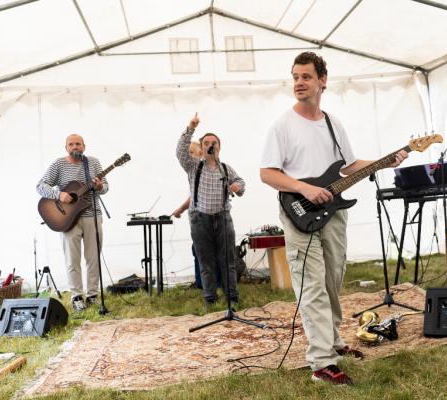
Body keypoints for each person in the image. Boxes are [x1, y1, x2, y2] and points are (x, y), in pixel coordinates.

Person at [260, 51, 407, 385]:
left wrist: (386, 161)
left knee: (332, 280)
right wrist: (305, 188)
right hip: (299, 212)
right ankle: (322, 362)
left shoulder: (333, 123)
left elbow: (349, 166)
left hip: (333, 213)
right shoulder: (282, 125)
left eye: (306, 77)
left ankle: (334, 342)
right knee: (311, 284)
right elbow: (267, 173)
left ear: (322, 81)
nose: (299, 83)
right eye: (295, 77)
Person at [176, 113, 245, 308]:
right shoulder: (193, 166)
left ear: (219, 147)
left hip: (223, 218)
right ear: (202, 147)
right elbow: (180, 152)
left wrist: (238, 187)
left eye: (213, 143)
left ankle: (232, 297)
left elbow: (241, 182)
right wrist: (190, 128)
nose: (210, 145)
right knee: (205, 261)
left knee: (227, 260)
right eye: (206, 143)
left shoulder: (226, 169)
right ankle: (210, 299)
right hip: (200, 219)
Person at [36, 134, 108, 312]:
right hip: (67, 219)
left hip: (92, 215)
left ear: (84, 146)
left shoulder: (93, 163)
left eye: (78, 144)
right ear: (66, 147)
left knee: (93, 258)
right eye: (71, 144)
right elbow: (41, 185)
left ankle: (92, 295)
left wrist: (100, 187)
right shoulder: (59, 164)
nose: (75, 146)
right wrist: (59, 194)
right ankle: (76, 296)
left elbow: (105, 187)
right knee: (72, 259)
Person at [172, 141, 223, 290]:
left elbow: (193, 197)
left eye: (191, 153)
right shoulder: (194, 171)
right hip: (197, 220)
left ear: (201, 153)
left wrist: (180, 209)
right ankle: (202, 282)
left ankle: (210, 283)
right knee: (198, 250)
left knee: (205, 250)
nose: (188, 156)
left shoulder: (203, 170)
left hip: (204, 220)